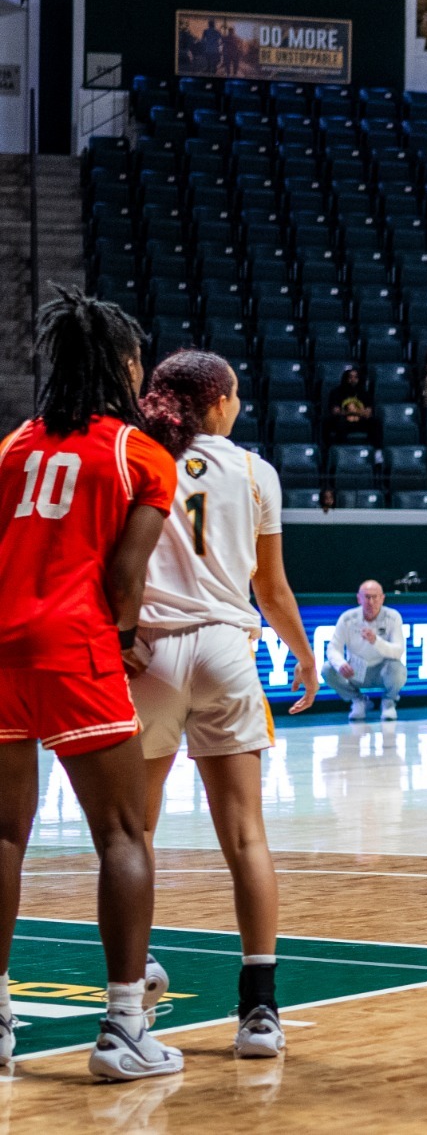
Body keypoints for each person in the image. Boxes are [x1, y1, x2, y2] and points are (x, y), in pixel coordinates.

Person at [0, 292, 180, 1080]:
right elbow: (125, 573)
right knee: (121, 835)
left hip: (0, 645)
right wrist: (124, 637)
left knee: (3, 836)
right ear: (119, 365)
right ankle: (123, 1029)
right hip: (75, 645)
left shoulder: (11, 445)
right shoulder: (140, 454)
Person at [130, 349, 318, 1062]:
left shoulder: (137, 456)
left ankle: (134, 980)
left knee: (132, 836)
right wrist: (301, 652)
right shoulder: (254, 471)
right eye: (234, 395)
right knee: (245, 835)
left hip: (149, 652)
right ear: (217, 404)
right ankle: (260, 1012)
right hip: (224, 648)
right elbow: (269, 589)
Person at [324, 578, 406, 723]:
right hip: (356, 670)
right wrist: (341, 663)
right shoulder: (347, 618)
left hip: (382, 670)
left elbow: (398, 651)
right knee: (327, 669)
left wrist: (376, 641)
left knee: (398, 669)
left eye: (375, 597)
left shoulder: (393, 617)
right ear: (359, 599)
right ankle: (358, 701)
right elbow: (333, 648)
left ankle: (388, 702)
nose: (371, 602)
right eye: (367, 597)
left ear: (382, 598)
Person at [323, 367, 374, 445]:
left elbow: (368, 413)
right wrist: (358, 412)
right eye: (350, 377)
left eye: (356, 377)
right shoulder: (336, 392)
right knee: (334, 422)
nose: (353, 380)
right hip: (343, 421)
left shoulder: (365, 394)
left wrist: (348, 412)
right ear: (345, 378)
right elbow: (335, 412)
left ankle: (376, 451)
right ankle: (342, 451)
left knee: (375, 422)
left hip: (360, 422)